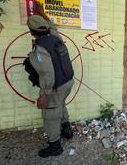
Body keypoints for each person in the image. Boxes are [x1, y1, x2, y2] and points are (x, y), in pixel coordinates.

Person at [24, 14, 74, 158]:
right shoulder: (55, 36)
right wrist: (44, 16)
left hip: (55, 86)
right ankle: (67, 130)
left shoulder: (40, 48)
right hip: (67, 82)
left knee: (50, 114)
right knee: (60, 104)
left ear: (31, 32)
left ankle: (55, 146)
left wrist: (43, 95)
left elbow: (47, 75)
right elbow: (52, 26)